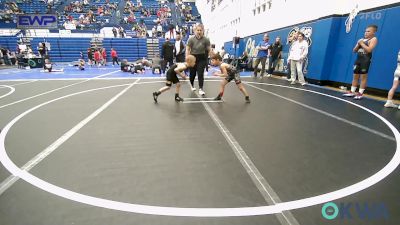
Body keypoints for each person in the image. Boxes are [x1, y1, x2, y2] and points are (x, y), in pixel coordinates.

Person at [343, 24, 378, 99]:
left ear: (373, 32)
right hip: (358, 60)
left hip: (365, 60)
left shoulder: (373, 39)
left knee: (363, 77)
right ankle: (352, 92)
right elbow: (354, 50)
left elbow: (369, 50)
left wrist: (361, 43)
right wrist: (358, 43)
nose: (366, 33)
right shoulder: (362, 39)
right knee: (355, 76)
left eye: (368, 31)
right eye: (365, 31)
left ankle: (360, 93)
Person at [186, 23, 211, 96]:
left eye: (200, 30)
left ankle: (201, 88)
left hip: (202, 58)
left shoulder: (206, 39)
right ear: (195, 31)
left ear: (203, 31)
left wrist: (211, 57)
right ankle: (192, 85)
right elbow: (188, 49)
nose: (199, 31)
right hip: (193, 58)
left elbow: (209, 49)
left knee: (200, 73)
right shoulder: (191, 39)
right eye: (198, 30)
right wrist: (187, 58)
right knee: (192, 74)